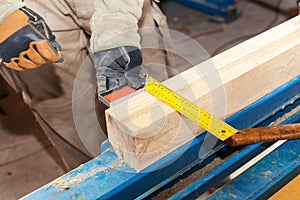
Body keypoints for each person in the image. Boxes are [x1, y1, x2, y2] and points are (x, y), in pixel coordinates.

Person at [0, 0, 186, 171]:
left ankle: (173, 172)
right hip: (28, 8)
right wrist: (4, 12)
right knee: (69, 115)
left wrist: (116, 35)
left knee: (153, 110)